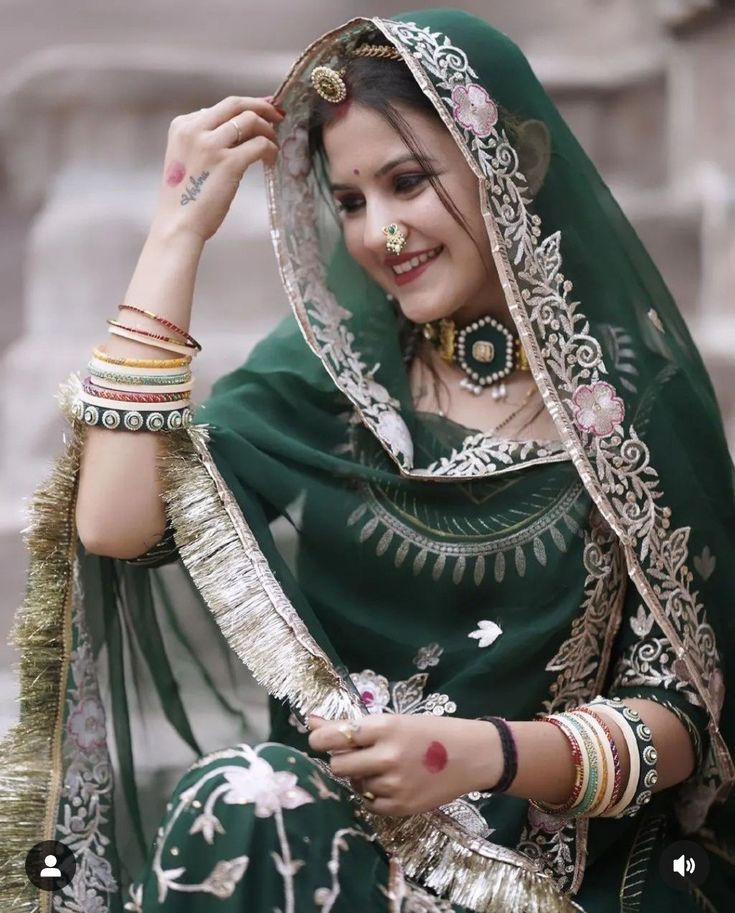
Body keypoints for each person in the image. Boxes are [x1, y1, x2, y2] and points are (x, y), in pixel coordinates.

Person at [1, 8, 734, 913]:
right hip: (322, 847)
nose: (380, 232)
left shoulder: (626, 404)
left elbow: (680, 714)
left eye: (408, 182)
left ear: (519, 161)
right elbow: (113, 524)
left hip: (545, 877)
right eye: (350, 201)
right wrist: (175, 235)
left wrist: (482, 755)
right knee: (244, 794)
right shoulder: (332, 379)